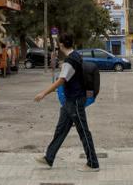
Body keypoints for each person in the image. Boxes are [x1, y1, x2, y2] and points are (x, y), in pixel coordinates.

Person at [33, 33, 100, 172]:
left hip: (75, 100)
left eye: (58, 43)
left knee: (83, 131)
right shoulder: (76, 55)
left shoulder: (70, 61)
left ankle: (93, 163)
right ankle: (48, 158)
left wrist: (43, 93)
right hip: (70, 101)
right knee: (61, 130)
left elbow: (61, 80)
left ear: (61, 44)